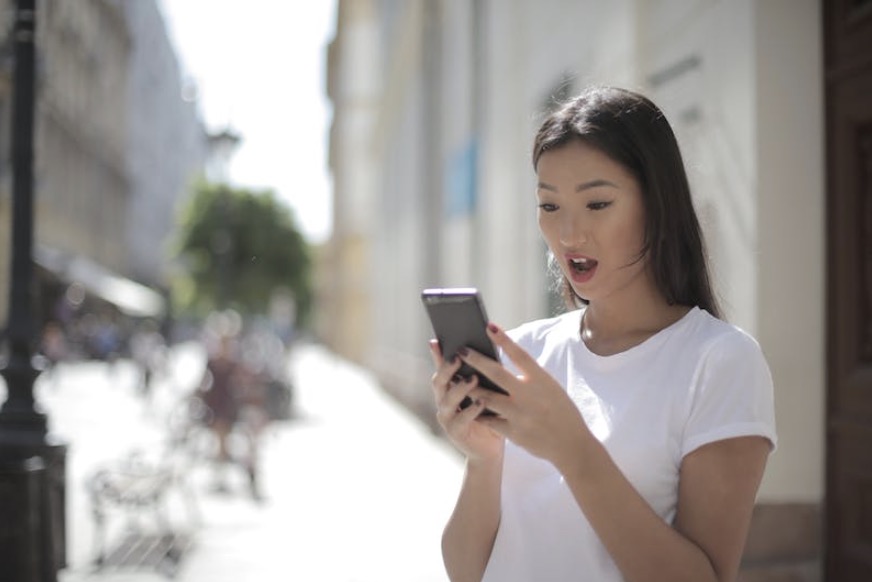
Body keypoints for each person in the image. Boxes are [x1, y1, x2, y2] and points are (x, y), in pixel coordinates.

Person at [428, 85, 776, 582]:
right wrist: (483, 460)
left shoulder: (719, 362)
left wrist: (575, 451)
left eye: (597, 204)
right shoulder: (525, 351)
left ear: (656, 203)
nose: (569, 236)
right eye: (549, 207)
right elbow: (466, 571)